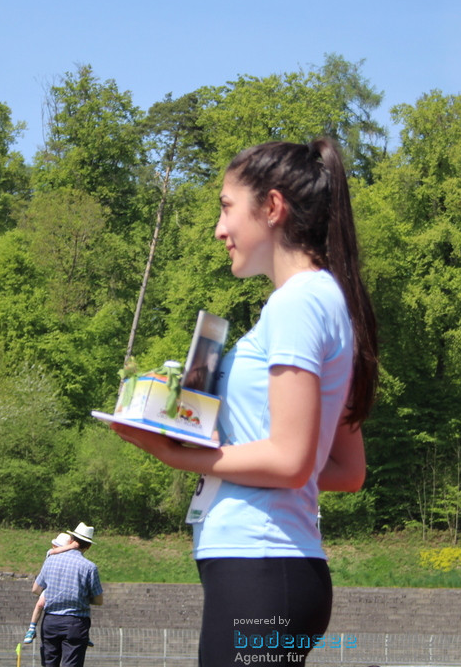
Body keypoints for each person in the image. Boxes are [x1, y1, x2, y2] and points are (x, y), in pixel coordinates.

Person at [111, 138, 377, 665]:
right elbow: (344, 468)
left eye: (226, 206)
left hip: (262, 561)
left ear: (273, 208)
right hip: (272, 564)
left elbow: (288, 459)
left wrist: (174, 453)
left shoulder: (297, 304)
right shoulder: (324, 299)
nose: (219, 228)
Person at [32, 522, 104, 667]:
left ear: (70, 540)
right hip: (76, 623)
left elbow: (36, 589)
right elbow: (98, 600)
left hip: (51, 620)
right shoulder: (90, 567)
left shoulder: (51, 560)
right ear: (88, 546)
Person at [22, 532, 74, 643]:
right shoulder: (51, 553)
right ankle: (32, 628)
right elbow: (53, 552)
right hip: (50, 584)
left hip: (64, 584)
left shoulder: (70, 558)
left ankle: (84, 633)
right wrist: (72, 546)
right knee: (40, 603)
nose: (53, 547)